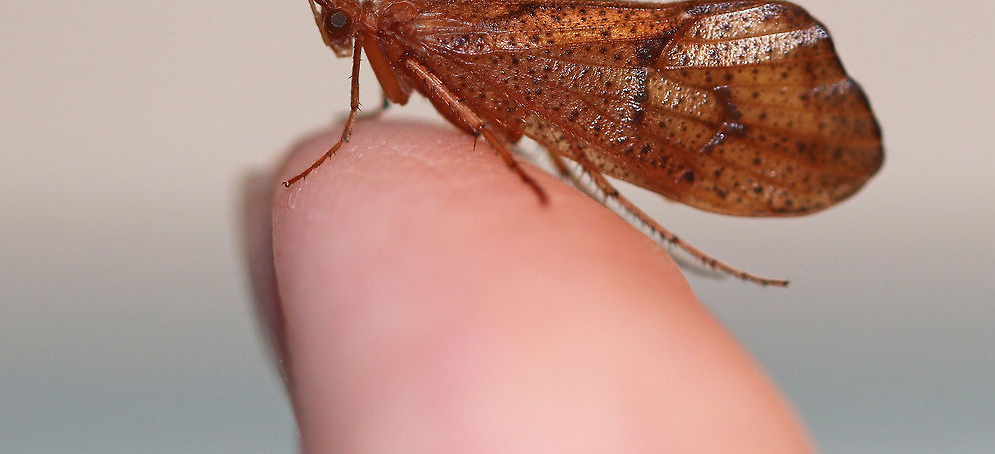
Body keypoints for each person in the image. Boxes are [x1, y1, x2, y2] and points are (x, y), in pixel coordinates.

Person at [245, 120, 816, 453]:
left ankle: (664, 232)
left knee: (565, 121)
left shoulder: (407, 35)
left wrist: (353, 125)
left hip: (564, 80)